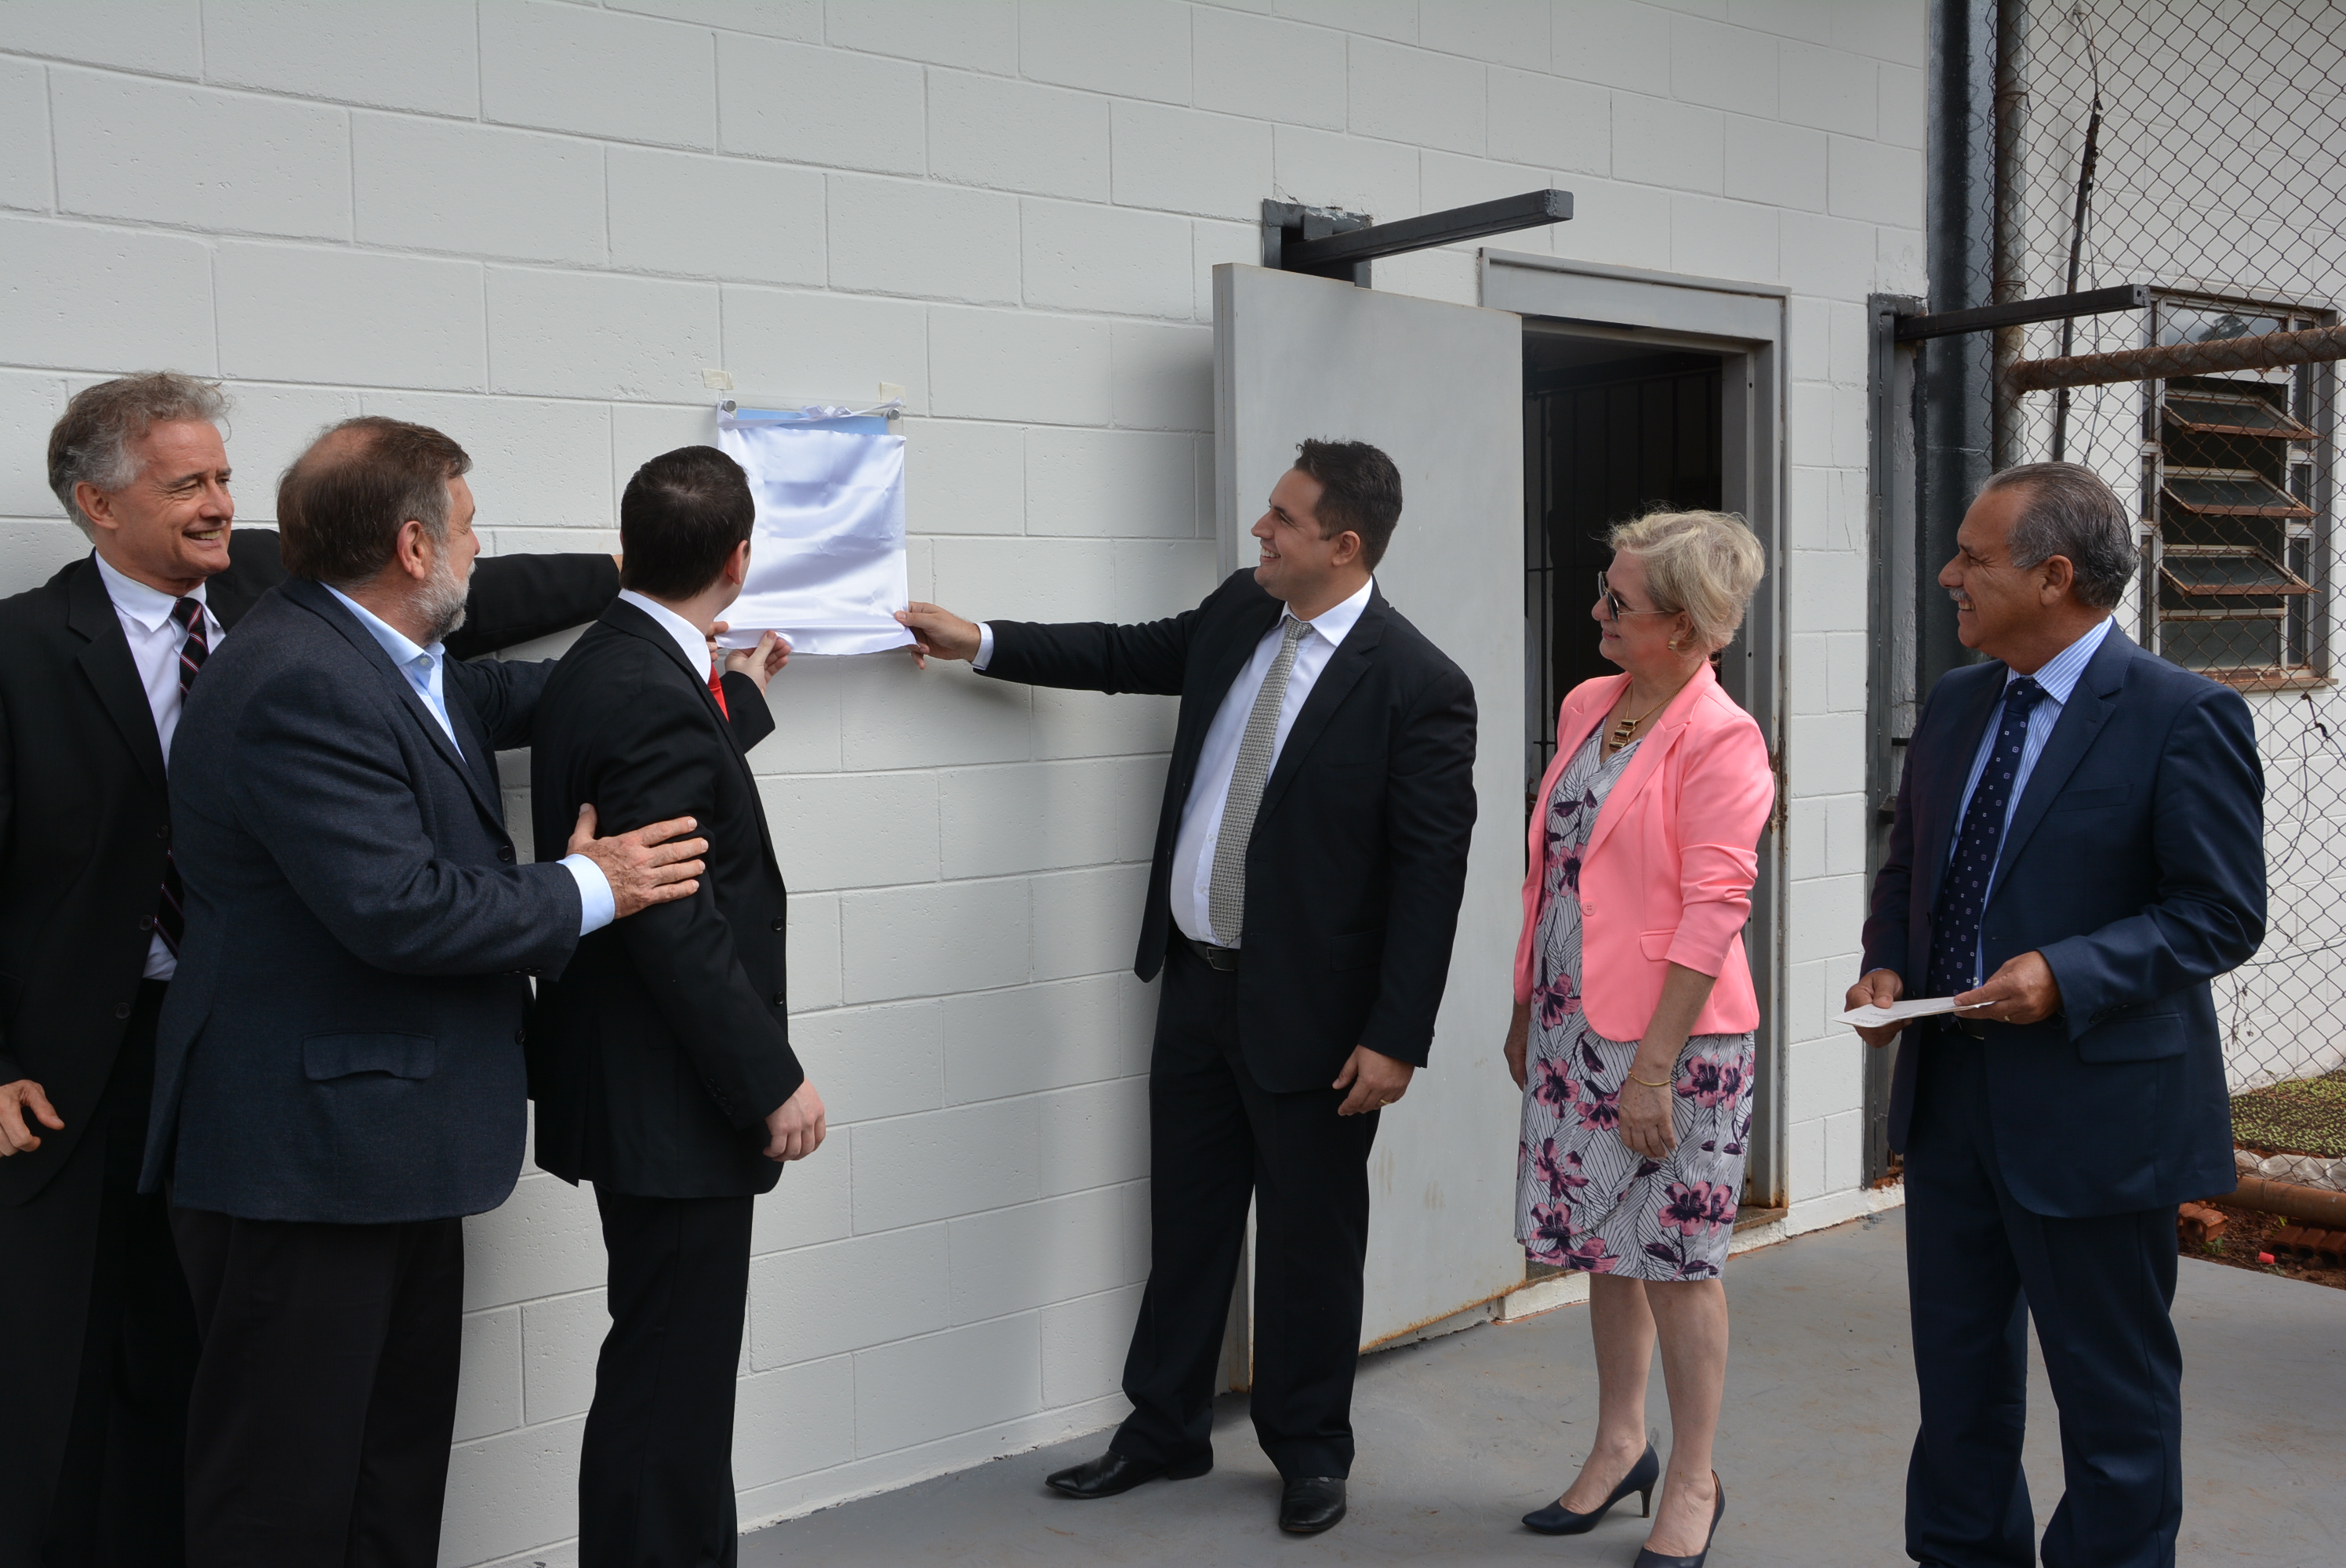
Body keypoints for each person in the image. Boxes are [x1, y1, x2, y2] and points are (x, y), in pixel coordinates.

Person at [0, 374, 622, 1568]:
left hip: (271, 1043)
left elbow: (470, 600)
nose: (218, 505)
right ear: (97, 505)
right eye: (186, 485)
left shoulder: (280, 584)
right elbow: (393, 903)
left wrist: (637, 585)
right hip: (103, 1064)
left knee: (321, 1429)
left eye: (225, 477)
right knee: (115, 1391)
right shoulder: (33, 649)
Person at [138, 416, 708, 1568]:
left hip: (388, 1143)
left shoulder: (377, 654)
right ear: (412, 547)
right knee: (282, 1496)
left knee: (386, 1476)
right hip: (304, 1162)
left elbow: (485, 701)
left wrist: (676, 661)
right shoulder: (297, 682)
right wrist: (591, 885)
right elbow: (399, 908)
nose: (478, 545)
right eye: (468, 525)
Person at [899, 438, 1477, 1536]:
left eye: (1284, 518)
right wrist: (982, 641)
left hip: (1319, 1022)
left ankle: (1310, 1448)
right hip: (1197, 988)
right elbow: (1125, 652)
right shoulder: (1240, 612)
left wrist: (1397, 1033)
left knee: (1310, 1243)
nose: (1261, 530)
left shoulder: (1419, 686)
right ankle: (1164, 1429)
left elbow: (1430, 879)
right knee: (1189, 1221)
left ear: (1345, 545)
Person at [1848, 461, 2263, 1568]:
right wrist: (1886, 968)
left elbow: (2220, 914)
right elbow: (1912, 871)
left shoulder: (2183, 716)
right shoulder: (1956, 703)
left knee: (2113, 1399)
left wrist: (2068, 974)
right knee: (1959, 1386)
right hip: (1952, 1100)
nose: (1949, 575)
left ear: (2054, 577)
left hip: (2100, 1116)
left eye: (1972, 557)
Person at [527, 445, 821, 1567]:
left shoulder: (617, 662)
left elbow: (672, 793)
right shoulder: (648, 689)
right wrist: (771, 1082)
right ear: (739, 560)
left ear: (630, 544)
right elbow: (669, 919)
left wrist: (736, 700)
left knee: (672, 1382)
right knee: (670, 1390)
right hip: (675, 1103)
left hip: (646, 1092)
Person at [1503, 510, 1769, 1568]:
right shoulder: (1589, 703)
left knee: (1677, 1262)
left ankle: (1695, 1477)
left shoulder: (1723, 738)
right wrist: (1528, 1006)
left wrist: (1653, 1069)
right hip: (1573, 1026)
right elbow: (1553, 873)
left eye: (1619, 602)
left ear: (1689, 627)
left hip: (1677, 1047)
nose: (1597, 611)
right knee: (1602, 1250)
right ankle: (1622, 1444)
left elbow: (1714, 914)